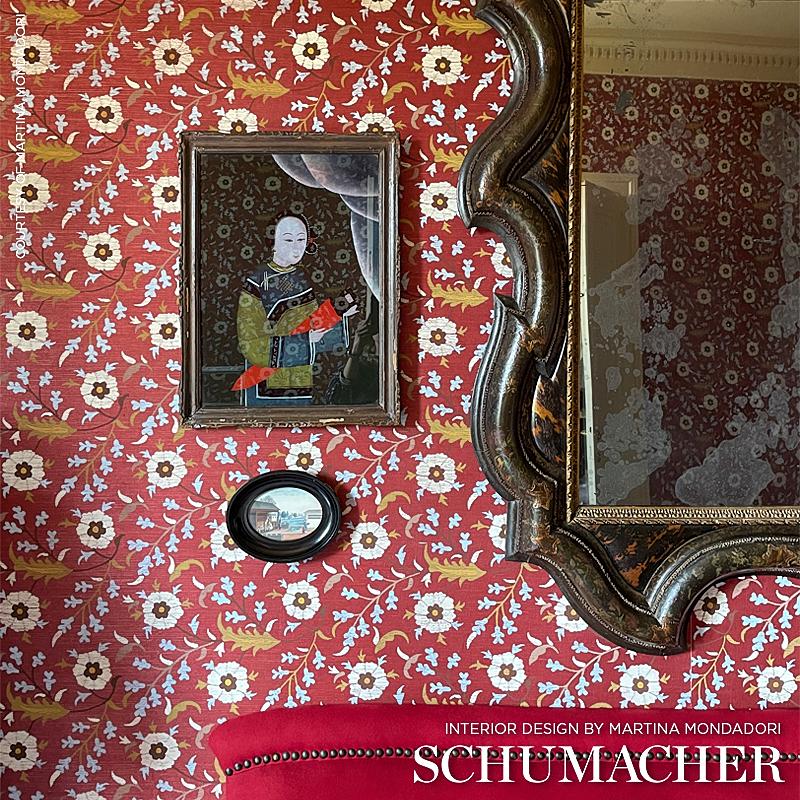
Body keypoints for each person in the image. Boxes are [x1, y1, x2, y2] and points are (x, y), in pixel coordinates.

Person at [234, 214, 357, 406]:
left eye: (301, 239)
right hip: (265, 387)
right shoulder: (257, 282)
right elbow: (249, 343)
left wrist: (339, 316)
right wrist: (305, 340)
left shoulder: (300, 278)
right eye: (288, 240)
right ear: (273, 242)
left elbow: (311, 327)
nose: (296, 247)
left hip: (299, 380)